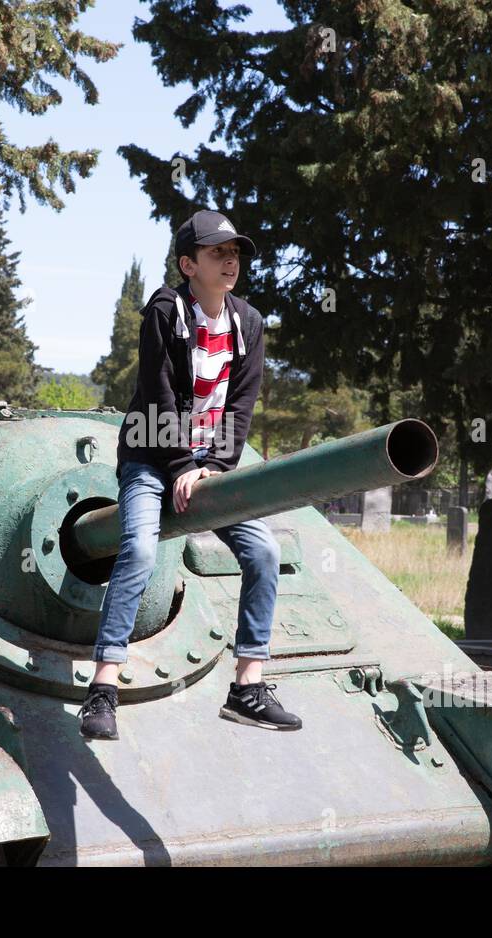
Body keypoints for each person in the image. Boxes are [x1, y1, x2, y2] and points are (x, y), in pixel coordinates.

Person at [79, 210, 301, 740]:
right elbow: (157, 391)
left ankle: (248, 688)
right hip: (152, 458)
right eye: (218, 253)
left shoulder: (247, 321)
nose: (231, 262)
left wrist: (213, 467)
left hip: (212, 465)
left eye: (236, 253)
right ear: (188, 264)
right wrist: (181, 464)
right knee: (138, 550)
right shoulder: (166, 309)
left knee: (265, 552)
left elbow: (241, 406)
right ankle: (102, 689)